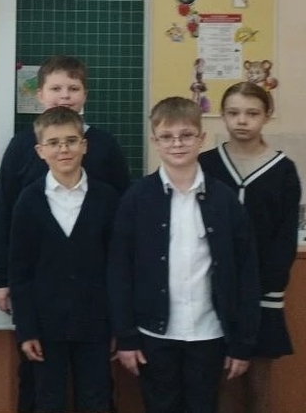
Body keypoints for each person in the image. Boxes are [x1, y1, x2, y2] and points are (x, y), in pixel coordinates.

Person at [0, 55, 131, 412]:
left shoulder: (105, 150)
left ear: (85, 94)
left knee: (96, 390)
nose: (64, 96)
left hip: (94, 300)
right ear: (40, 95)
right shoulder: (21, 151)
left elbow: (121, 228)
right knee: (40, 387)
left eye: (73, 88)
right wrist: (0, 278)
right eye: (55, 88)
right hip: (42, 295)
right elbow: (4, 215)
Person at [109, 96, 259, 413]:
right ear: (155, 141)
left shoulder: (224, 200)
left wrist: (242, 342)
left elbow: (246, 273)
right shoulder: (137, 198)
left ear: (201, 138)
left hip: (210, 333)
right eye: (167, 136)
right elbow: (119, 271)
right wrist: (126, 337)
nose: (177, 144)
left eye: (186, 135)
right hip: (154, 333)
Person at [199, 82, 301, 413]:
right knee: (222, 382)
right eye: (233, 113)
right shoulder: (206, 165)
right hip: (213, 289)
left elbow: (285, 237)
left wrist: (265, 285)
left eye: (252, 113)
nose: (242, 120)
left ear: (267, 115)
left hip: (263, 292)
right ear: (222, 115)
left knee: (258, 381)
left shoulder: (283, 170)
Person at [9, 106, 118, 413]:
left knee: (97, 400)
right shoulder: (28, 201)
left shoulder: (107, 198)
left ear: (84, 145)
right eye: (54, 143)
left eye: (71, 141)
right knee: (47, 400)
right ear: (40, 151)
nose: (63, 149)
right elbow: (20, 271)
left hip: (96, 323)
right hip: (45, 326)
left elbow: (118, 268)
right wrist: (26, 329)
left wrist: (118, 326)